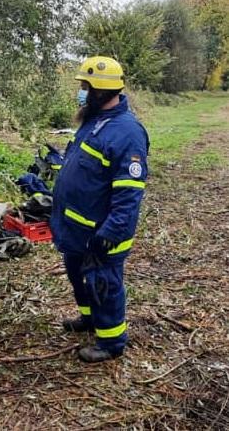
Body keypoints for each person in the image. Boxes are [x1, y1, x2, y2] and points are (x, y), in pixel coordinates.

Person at [50, 56, 149, 363]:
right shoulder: (94, 121)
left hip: (101, 233)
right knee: (77, 275)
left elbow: (129, 195)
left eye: (85, 87)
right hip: (77, 229)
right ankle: (89, 319)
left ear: (102, 91)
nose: (81, 92)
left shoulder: (128, 132)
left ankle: (111, 341)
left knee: (103, 283)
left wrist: (109, 234)